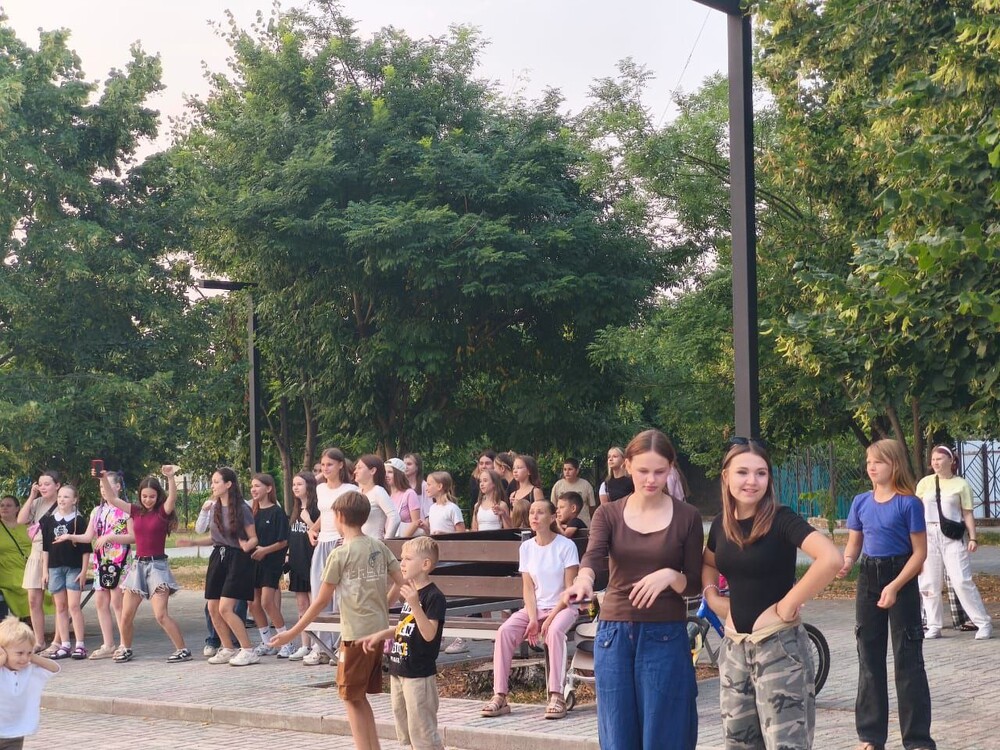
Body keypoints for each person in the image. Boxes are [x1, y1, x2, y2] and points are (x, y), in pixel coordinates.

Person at [564, 429, 703, 750]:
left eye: (659, 471)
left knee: (667, 734)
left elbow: (694, 582)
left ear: (671, 468)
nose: (651, 480)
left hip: (665, 634)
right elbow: (593, 558)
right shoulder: (608, 513)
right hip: (614, 635)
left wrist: (670, 575)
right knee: (618, 736)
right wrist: (583, 581)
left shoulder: (688, 516)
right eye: (642, 471)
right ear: (627, 466)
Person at [702, 439, 842, 749]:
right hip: (735, 649)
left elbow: (831, 558)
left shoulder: (781, 519)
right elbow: (709, 562)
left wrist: (788, 604)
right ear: (726, 476)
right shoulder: (722, 525)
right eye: (742, 472)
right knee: (738, 743)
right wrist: (711, 596)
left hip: (779, 647)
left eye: (761, 473)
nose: (752, 481)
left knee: (786, 744)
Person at [270, 491, 405, 750]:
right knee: (358, 697)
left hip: (355, 636)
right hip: (377, 631)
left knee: (350, 697)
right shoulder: (379, 547)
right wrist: (384, 605)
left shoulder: (340, 554)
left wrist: (292, 632)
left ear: (340, 516)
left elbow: (320, 601)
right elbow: (402, 581)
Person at [838, 439, 935, 750]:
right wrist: (847, 562)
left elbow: (919, 554)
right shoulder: (860, 502)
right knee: (868, 657)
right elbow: (854, 543)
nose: (871, 467)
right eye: (869, 461)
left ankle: (917, 740)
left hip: (901, 576)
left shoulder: (909, 503)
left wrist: (894, 586)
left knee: (908, 659)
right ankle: (870, 736)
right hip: (869, 576)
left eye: (878, 461)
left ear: (894, 464)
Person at [482, 499, 580, 720]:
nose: (534, 516)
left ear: (552, 517)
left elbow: (570, 589)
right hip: (535, 608)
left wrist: (550, 617)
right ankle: (500, 695)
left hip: (564, 606)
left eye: (540, 512)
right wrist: (534, 618)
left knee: (554, 632)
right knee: (504, 632)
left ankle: (557, 695)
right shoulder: (526, 547)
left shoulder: (566, 546)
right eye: (532, 512)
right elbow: (527, 588)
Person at [363, 536, 447, 750]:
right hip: (399, 669)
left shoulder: (433, 597)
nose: (402, 563)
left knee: (423, 733)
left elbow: (429, 634)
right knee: (407, 730)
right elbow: (405, 626)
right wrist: (380, 635)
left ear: (425, 564)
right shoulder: (412, 592)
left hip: (419, 674)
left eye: (408, 559)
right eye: (402, 558)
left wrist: (415, 605)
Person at [104, 466, 190, 663]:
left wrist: (170, 477)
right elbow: (112, 499)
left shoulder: (162, 512)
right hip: (138, 567)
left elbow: (172, 498)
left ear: (157, 496)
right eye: (144, 496)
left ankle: (183, 650)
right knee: (126, 615)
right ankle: (126, 648)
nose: (148, 500)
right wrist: (102, 478)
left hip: (157, 567)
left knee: (161, 615)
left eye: (152, 496)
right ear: (140, 495)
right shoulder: (135, 511)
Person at [916, 445, 991, 640]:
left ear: (951, 461)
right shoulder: (925, 483)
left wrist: (973, 537)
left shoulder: (961, 484)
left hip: (953, 537)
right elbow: (916, 510)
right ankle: (933, 625)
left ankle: (983, 622)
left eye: (940, 459)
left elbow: (967, 513)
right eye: (933, 459)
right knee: (929, 582)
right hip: (929, 535)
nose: (936, 463)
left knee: (961, 581)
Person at [186, 467, 260, 667]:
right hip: (218, 557)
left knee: (225, 608)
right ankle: (227, 648)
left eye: (216, 481)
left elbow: (253, 538)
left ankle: (248, 650)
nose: (212, 485)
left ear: (228, 484)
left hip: (238, 558)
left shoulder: (242, 508)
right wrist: (193, 543)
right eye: (212, 482)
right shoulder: (215, 508)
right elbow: (215, 538)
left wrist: (247, 546)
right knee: (212, 608)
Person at [57, 472, 133, 660]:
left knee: (117, 603)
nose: (103, 490)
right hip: (101, 562)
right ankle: (108, 644)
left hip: (119, 561)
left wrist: (110, 537)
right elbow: (88, 536)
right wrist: (70, 536)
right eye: (100, 486)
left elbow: (133, 537)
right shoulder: (96, 511)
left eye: (107, 485)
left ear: (118, 487)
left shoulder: (126, 510)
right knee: (100, 602)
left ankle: (124, 644)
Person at [304, 447, 359, 666]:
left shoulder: (350, 489)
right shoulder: (320, 489)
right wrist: (313, 528)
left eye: (330, 464)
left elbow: (353, 516)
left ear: (340, 465)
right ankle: (321, 646)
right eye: (323, 465)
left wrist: (347, 537)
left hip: (340, 542)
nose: (325, 469)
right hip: (322, 543)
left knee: (340, 596)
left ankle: (339, 645)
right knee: (319, 592)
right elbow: (325, 513)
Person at [39, 485, 89, 660]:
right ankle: (65, 644)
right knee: (60, 607)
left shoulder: (79, 521)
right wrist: (45, 571)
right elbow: (45, 548)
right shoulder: (49, 521)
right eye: (60, 496)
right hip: (54, 568)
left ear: (74, 500)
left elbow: (85, 549)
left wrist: (84, 570)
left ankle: (80, 644)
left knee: (74, 606)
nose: (62, 499)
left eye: (66, 497)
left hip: (74, 567)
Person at [0, 616, 59, 750]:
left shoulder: (29, 670)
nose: (24, 658)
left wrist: (33, 657)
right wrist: (2, 657)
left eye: (28, 652)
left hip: (14, 734)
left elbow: (54, 668)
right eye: (19, 653)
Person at [247, 473, 290, 656]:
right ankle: (267, 642)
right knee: (252, 603)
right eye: (252, 486)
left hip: (271, 563)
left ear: (269, 488)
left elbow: (284, 541)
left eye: (257, 486)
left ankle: (286, 642)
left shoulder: (277, 512)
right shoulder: (252, 512)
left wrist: (265, 550)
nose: (253, 489)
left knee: (267, 601)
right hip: (252, 562)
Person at [17, 471, 59, 651]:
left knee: (59, 601)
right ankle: (39, 641)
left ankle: (58, 640)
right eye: (40, 484)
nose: (43, 487)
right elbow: (21, 519)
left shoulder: (63, 502)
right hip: (36, 553)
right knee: (33, 600)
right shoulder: (37, 503)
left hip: (56, 553)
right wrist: (31, 496)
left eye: (47, 484)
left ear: (57, 485)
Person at [284, 471, 320, 660]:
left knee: (314, 604)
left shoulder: (316, 509)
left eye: (299, 484)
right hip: (297, 562)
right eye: (294, 484)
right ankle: (305, 644)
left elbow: (320, 533)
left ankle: (318, 645)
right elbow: (293, 536)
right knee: (301, 606)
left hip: (312, 561)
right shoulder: (296, 509)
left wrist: (309, 521)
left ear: (309, 486)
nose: (295, 488)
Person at [0, 496, 30, 621]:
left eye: (8, 505)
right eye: (2, 505)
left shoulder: (26, 526)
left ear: (17, 508)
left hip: (28, 567)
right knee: (25, 588)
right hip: (7, 570)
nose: (4, 508)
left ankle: (30, 621)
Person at [386, 457, 422, 538]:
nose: (386, 475)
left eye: (390, 472)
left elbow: (416, 522)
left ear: (399, 474)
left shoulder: (409, 493)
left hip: (405, 540)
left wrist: (401, 540)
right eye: (385, 472)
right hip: (389, 539)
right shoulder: (386, 495)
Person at [509, 456, 545, 529]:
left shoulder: (535, 492)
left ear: (529, 471)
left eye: (519, 468)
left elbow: (541, 513)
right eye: (514, 468)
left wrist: (521, 506)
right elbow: (512, 519)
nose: (515, 471)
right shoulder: (513, 494)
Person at [402, 453, 431, 521]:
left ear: (417, 467)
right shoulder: (400, 485)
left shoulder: (424, 486)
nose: (405, 467)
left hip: (420, 524)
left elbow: (428, 511)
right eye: (404, 464)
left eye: (409, 464)